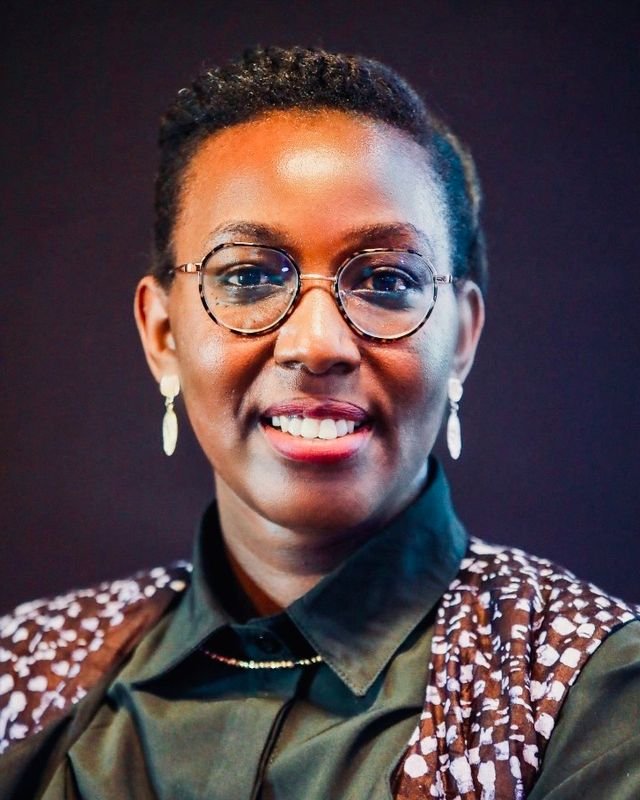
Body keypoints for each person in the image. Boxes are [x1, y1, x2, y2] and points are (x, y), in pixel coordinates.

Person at [1, 45, 638, 800]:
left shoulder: (590, 695)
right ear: (163, 335)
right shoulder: (24, 679)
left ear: (462, 338)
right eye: (247, 276)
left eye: (386, 280)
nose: (317, 344)